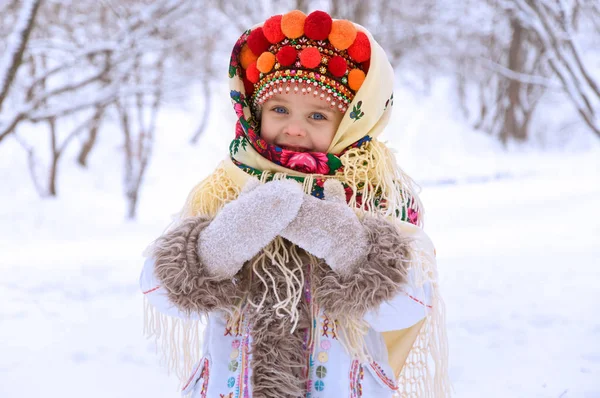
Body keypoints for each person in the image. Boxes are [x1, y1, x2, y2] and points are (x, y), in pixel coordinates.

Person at [140, 9, 450, 398]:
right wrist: (216, 246)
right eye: (280, 109)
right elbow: (156, 289)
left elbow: (410, 306)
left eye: (318, 115)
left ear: (353, 122)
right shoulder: (226, 189)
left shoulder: (376, 195)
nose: (294, 127)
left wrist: (345, 241)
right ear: (256, 111)